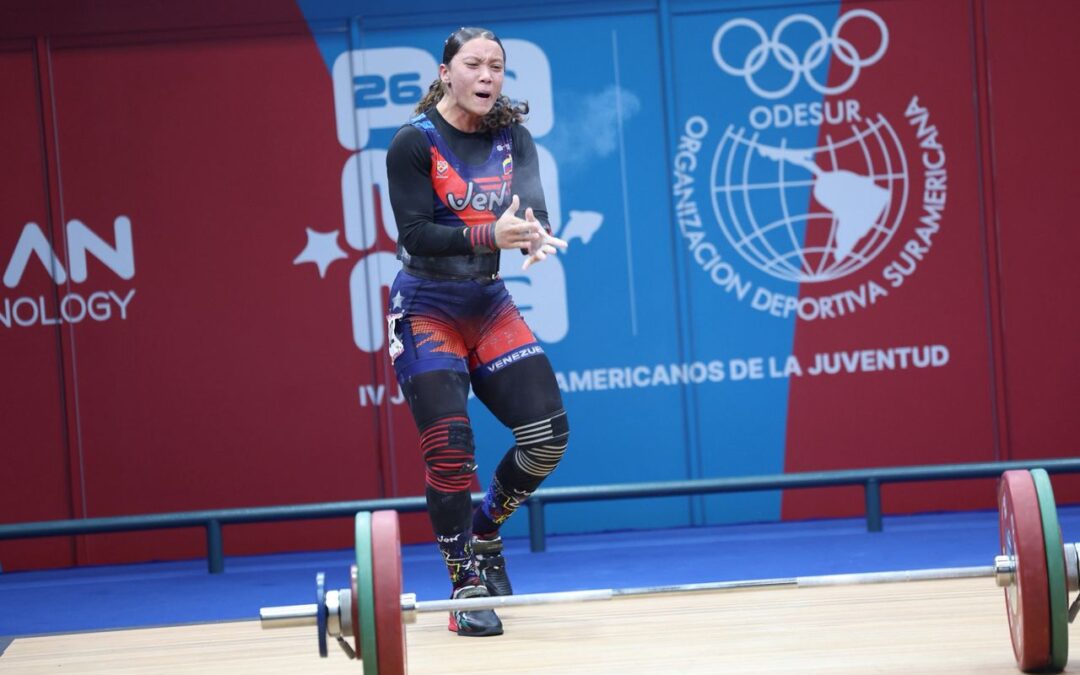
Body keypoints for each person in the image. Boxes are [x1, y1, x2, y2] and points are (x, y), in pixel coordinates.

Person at [384, 26, 569, 637]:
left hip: (487, 301)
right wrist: (492, 234)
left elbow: (532, 212)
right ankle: (465, 582)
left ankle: (485, 531)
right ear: (446, 72)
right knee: (451, 448)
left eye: (497, 65)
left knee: (548, 438)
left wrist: (537, 235)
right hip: (426, 308)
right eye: (474, 64)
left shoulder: (513, 137)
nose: (488, 75)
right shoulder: (413, 144)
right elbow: (414, 235)